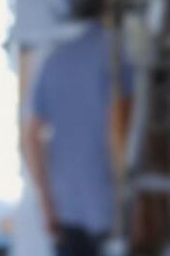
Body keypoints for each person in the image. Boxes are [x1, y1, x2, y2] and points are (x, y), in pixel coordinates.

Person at [21, 23, 130, 256]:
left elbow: (30, 136)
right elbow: (124, 129)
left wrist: (46, 204)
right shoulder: (118, 56)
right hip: (112, 208)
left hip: (67, 207)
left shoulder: (55, 60)